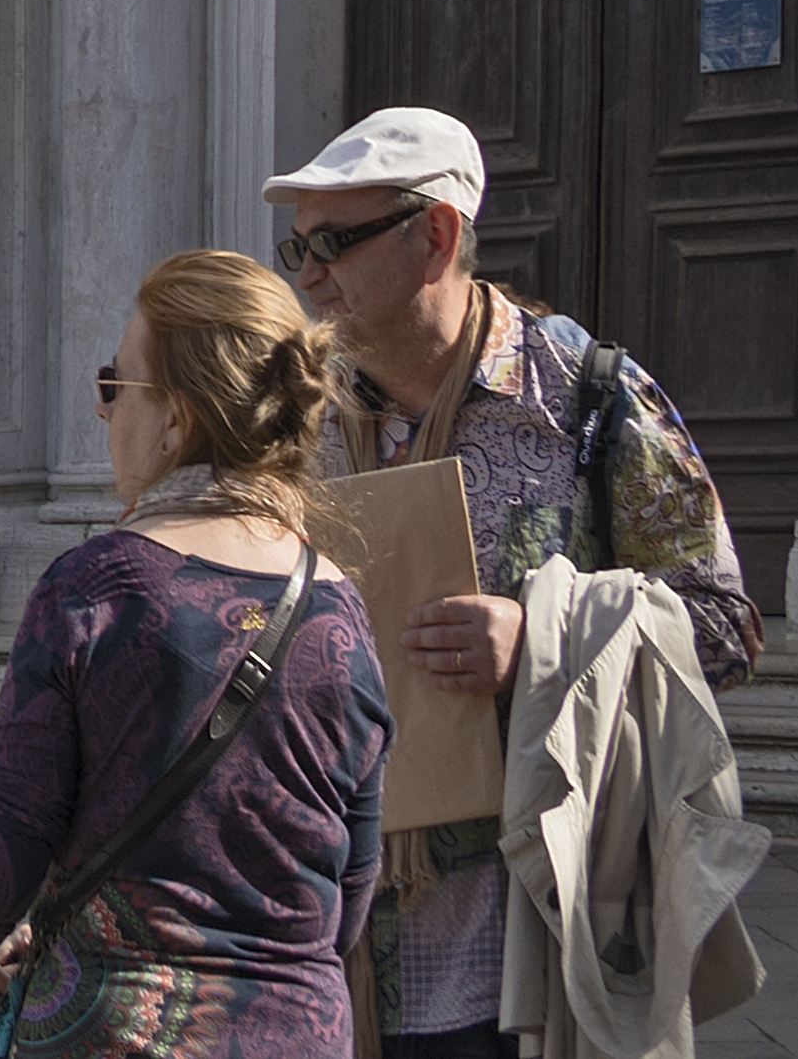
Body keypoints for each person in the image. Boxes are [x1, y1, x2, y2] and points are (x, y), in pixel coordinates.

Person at [264, 101, 760, 1059]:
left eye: (331, 243)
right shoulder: (296, 421)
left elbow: (725, 624)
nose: (308, 277)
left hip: (524, 936)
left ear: (435, 237)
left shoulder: (583, 397)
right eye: (296, 252)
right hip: (329, 935)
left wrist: (542, 641)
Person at [0, 250, 385, 1059]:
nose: (103, 414)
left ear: (174, 419)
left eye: (114, 384)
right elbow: (350, 890)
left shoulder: (94, 589)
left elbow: (1, 851)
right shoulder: (338, 608)